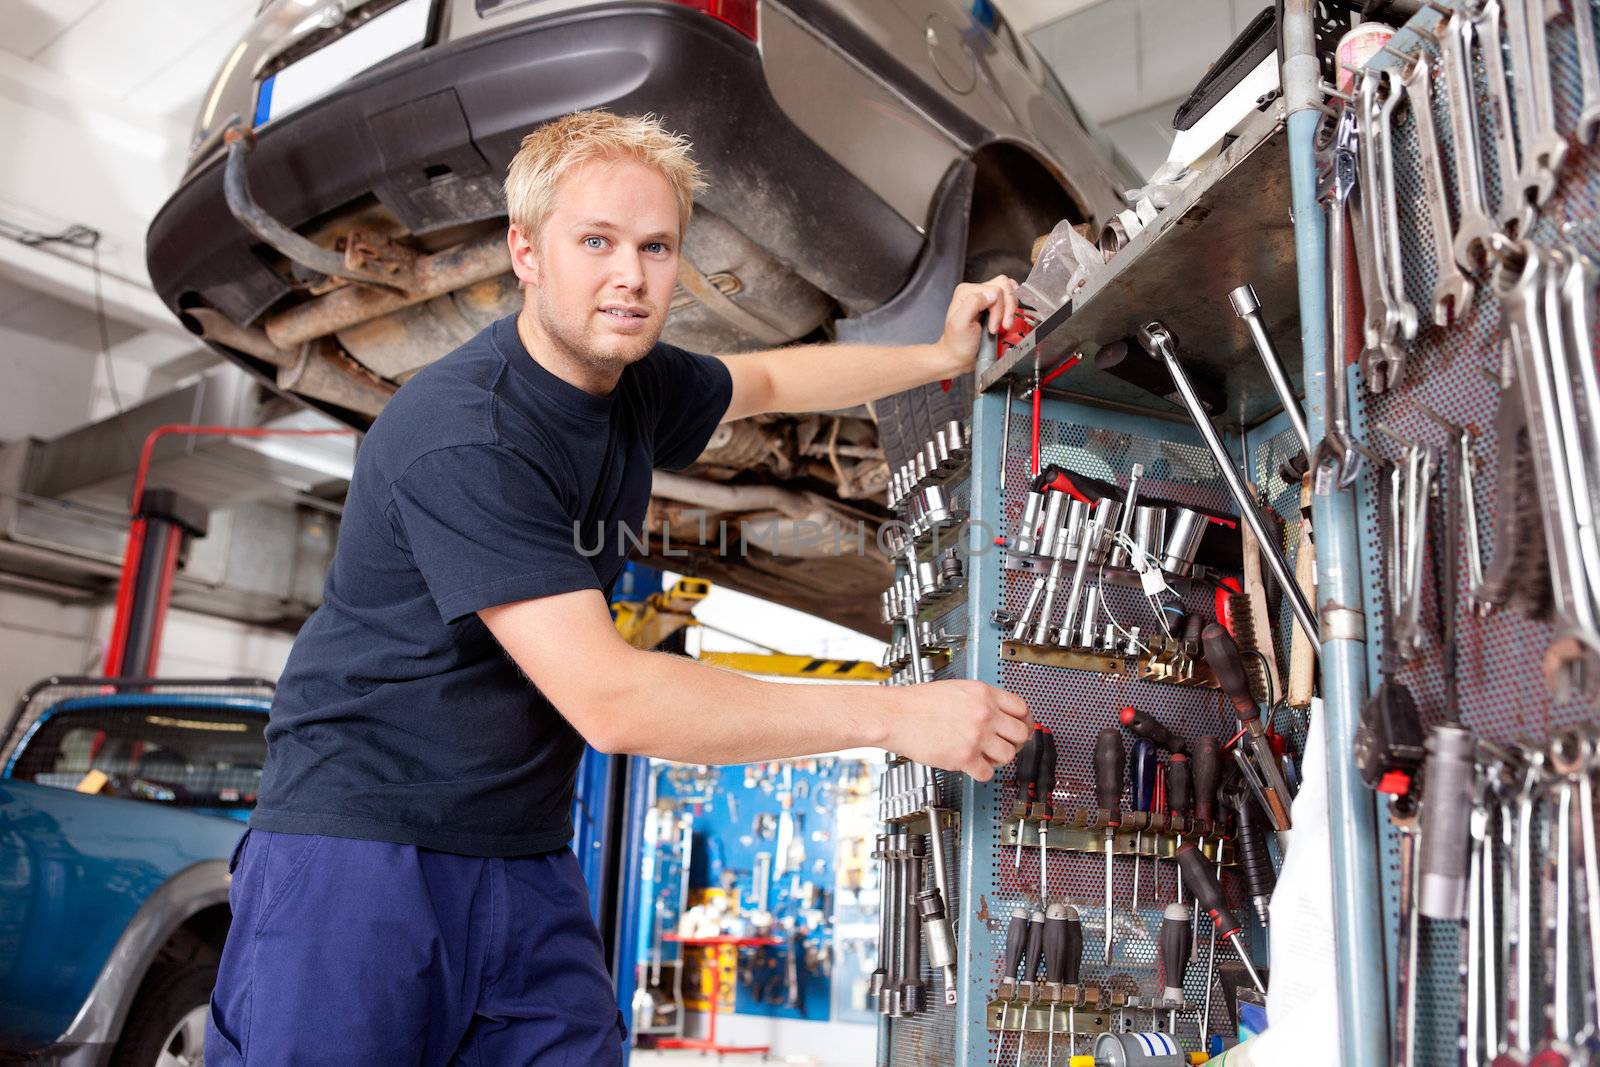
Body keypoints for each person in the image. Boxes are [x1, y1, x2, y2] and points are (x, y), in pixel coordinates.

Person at [206, 110, 1031, 1065]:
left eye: (656, 246)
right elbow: (612, 699)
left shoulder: (632, 387)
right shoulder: (467, 433)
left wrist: (935, 359)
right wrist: (895, 716)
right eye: (595, 241)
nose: (629, 276)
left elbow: (761, 378)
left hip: (520, 855)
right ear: (526, 250)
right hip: (362, 854)